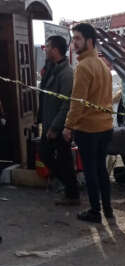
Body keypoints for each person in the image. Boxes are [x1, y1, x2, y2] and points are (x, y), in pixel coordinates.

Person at [63, 23, 114, 223]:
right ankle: (108, 210)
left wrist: (68, 126)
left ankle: (95, 211)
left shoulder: (84, 66)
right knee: (101, 169)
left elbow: (77, 102)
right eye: (73, 38)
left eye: (77, 38)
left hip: (89, 129)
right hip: (106, 127)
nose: (74, 43)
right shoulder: (102, 64)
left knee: (91, 170)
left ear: (89, 41)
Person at [38, 35, 80, 205]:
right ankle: (70, 189)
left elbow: (66, 104)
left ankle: (72, 191)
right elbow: (44, 95)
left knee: (62, 159)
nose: (45, 49)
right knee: (49, 156)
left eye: (47, 46)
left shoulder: (66, 73)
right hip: (49, 123)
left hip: (60, 127)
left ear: (55, 50)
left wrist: (55, 128)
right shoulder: (52, 69)